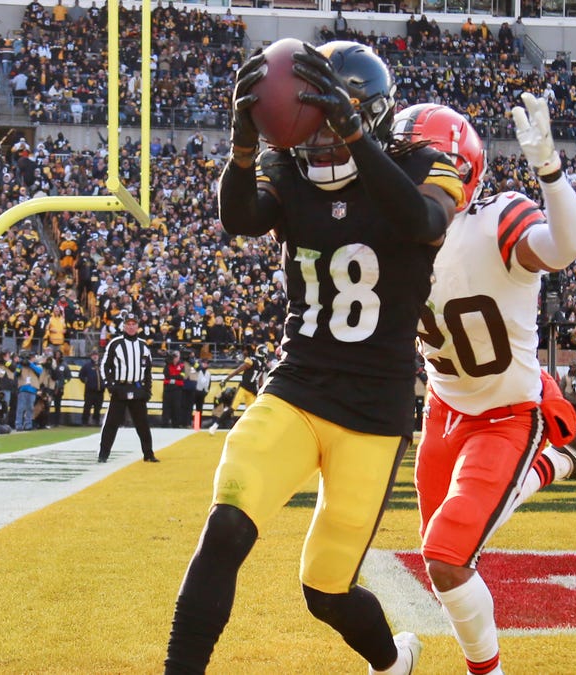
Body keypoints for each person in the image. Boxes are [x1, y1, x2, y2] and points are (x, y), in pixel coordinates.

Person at [165, 41, 462, 675]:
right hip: (296, 387)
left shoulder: (427, 164)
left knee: (324, 591)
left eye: (336, 120)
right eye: (315, 122)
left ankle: (392, 662)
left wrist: (356, 138)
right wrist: (243, 148)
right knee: (225, 531)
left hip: (374, 415)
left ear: (369, 114)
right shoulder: (286, 168)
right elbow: (241, 217)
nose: (321, 140)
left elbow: (422, 223)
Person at [399, 98, 576, 675]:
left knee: (447, 557)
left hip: (508, 413)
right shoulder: (394, 236)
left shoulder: (495, 219)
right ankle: (562, 464)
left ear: (456, 169)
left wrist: (550, 169)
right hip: (442, 411)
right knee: (444, 562)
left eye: (412, 165)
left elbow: (566, 247)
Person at [97, 314, 156, 463]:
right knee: (111, 423)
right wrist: (110, 386)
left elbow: (148, 370)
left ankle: (148, 454)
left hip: (137, 388)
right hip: (120, 388)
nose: (131, 327)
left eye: (133, 324)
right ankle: (103, 455)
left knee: (143, 424)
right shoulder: (115, 343)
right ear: (124, 326)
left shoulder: (143, 345)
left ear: (137, 326)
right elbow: (105, 365)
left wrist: (147, 390)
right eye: (128, 324)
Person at [207, 345, 268, 434]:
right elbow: (238, 370)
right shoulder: (252, 360)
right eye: (265, 352)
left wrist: (261, 390)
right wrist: (226, 379)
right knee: (232, 408)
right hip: (243, 387)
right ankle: (215, 425)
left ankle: (250, 430)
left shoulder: (263, 365)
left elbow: (260, 380)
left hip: (252, 391)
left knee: (252, 411)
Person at [78, 349, 103, 426]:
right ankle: (85, 422)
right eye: (93, 355)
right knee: (87, 407)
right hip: (90, 391)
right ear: (91, 356)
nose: (95, 356)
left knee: (98, 408)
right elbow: (81, 375)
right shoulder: (87, 365)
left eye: (96, 355)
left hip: (100, 391)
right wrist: (86, 381)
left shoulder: (102, 365)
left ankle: (96, 421)